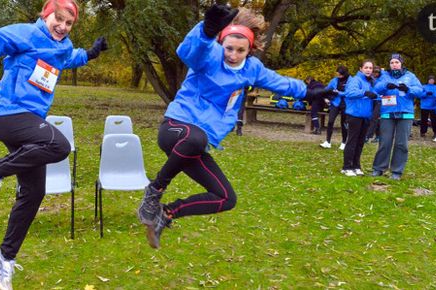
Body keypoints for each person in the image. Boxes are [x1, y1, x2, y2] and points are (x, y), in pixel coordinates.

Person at [136, 5, 333, 249]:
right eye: (229, 48)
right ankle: (154, 191)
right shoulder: (210, 56)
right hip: (176, 128)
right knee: (196, 138)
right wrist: (207, 31)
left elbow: (278, 82)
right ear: (222, 42)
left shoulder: (252, 69)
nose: (233, 55)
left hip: (196, 143)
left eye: (241, 50)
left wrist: (308, 92)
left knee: (226, 198)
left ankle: (166, 214)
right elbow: (188, 52)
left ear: (250, 50)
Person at [0, 0, 108, 288]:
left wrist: (92, 53)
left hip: (29, 122)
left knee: (35, 191)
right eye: (57, 19)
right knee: (59, 145)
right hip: (6, 113)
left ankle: (3, 258)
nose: (62, 26)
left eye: (68, 23)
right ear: (46, 15)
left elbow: (70, 57)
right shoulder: (28, 34)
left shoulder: (61, 47)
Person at [371, 54, 422, 180]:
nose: (394, 64)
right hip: (388, 112)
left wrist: (408, 89)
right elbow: (376, 88)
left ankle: (397, 171)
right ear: (389, 64)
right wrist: (385, 86)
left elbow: (420, 91)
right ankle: (379, 168)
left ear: (401, 64)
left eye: (397, 62)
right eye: (392, 62)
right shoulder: (385, 76)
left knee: (401, 144)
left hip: (405, 113)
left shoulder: (410, 76)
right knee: (385, 142)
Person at [342, 60, 375, 176]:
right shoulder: (355, 80)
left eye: (370, 68)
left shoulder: (370, 82)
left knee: (360, 142)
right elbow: (350, 93)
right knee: (352, 141)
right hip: (354, 115)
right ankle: (346, 167)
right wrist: (364, 93)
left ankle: (356, 165)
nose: (368, 70)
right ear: (361, 68)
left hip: (365, 115)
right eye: (366, 67)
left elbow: (374, 95)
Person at [320, 65, 350, 150]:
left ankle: (344, 142)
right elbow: (326, 90)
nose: (338, 76)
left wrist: (339, 93)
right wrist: (325, 98)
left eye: (340, 74)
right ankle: (327, 142)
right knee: (330, 121)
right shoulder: (334, 80)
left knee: (344, 123)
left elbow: (350, 93)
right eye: (337, 74)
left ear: (344, 74)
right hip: (335, 103)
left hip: (346, 104)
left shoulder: (351, 81)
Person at [365, 66, 384, 143]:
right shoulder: (369, 79)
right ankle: (379, 136)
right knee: (375, 119)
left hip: (380, 100)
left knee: (374, 118)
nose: (375, 73)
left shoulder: (382, 79)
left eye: (377, 72)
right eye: (374, 72)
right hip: (371, 100)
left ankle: (367, 136)